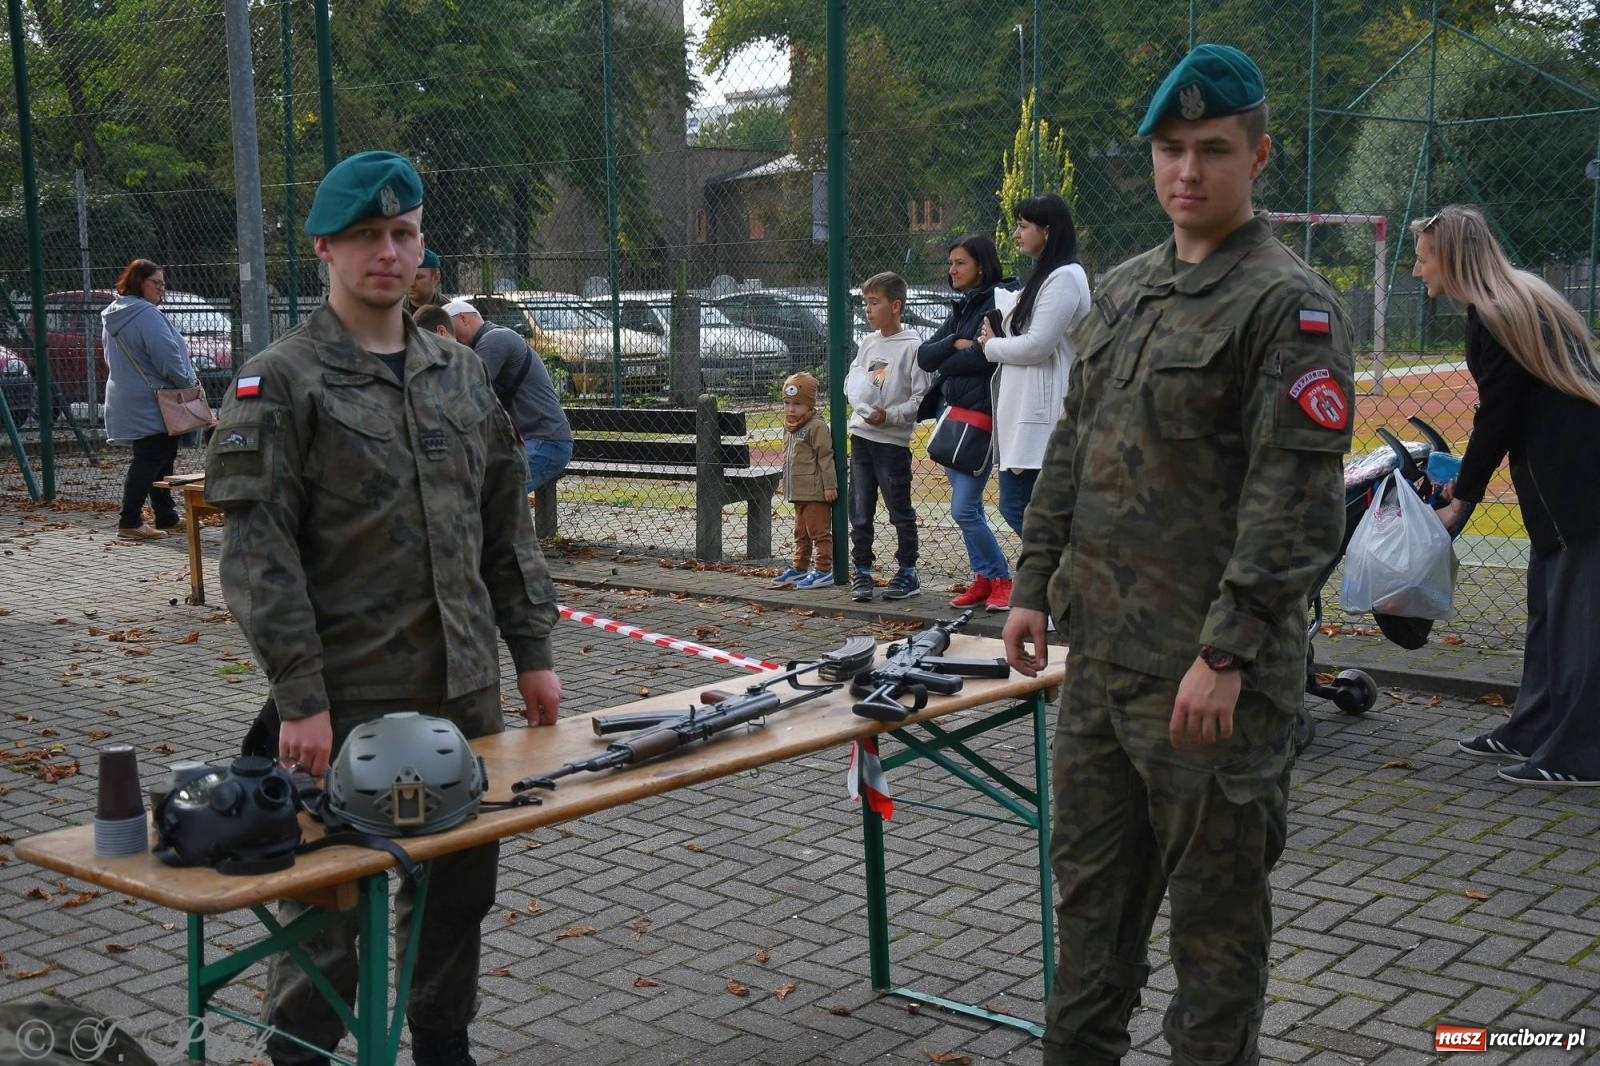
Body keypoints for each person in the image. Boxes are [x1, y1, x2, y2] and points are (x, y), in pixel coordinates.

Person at [1001, 45, 1354, 1065]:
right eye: (1169, 149)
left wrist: (1227, 651)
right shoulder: (1120, 292)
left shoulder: (1287, 305)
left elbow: (1295, 503)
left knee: (1214, 938)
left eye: (1212, 149)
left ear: (1258, 157)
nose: (1187, 171)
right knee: (1089, 920)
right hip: (1103, 669)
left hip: (1209, 687)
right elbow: (1071, 449)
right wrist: (1031, 585)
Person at [204, 150, 562, 1066]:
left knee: (458, 893)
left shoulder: (460, 372)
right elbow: (258, 555)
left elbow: (505, 526)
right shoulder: (280, 382)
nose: (388, 252)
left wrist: (532, 651)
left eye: (402, 234)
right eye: (366, 235)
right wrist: (299, 696)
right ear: (325, 249)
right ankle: (300, 1053)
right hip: (346, 699)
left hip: (464, 690)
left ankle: (442, 1043)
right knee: (327, 908)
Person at [1414, 205, 1600, 788]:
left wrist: (1462, 498)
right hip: (1563, 477)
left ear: (1451, 258)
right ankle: (1535, 725)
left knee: (1576, 619)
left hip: (1575, 481)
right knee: (1548, 605)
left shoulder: (1494, 315)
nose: (1418, 271)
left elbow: (1498, 415)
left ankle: (1582, 753)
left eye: (1423, 259)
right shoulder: (1520, 297)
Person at [977, 194, 1091, 538]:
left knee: (1020, 507)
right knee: (1022, 507)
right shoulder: (1047, 275)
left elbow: (1038, 345)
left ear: (1048, 231)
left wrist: (991, 346)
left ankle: (1065, 566)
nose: (1016, 234)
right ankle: (1061, 567)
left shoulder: (1065, 277)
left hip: (1045, 417)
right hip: (1027, 413)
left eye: (1023, 226)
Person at [917, 235, 1017, 611]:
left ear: (982, 265)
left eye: (960, 263)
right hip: (953, 417)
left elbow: (985, 357)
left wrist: (954, 353)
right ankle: (984, 578)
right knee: (969, 509)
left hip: (981, 418)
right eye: (951, 263)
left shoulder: (999, 302)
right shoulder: (964, 306)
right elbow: (925, 355)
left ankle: (1002, 580)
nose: (952, 270)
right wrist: (956, 343)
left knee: (963, 508)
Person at [845, 271, 932, 602]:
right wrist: (861, 403)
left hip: (892, 444)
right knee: (860, 509)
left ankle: (908, 571)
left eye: (874, 302)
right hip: (862, 438)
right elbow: (861, 379)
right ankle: (862, 571)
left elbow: (920, 400)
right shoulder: (869, 343)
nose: (868, 310)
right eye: (865, 303)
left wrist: (890, 416)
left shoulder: (913, 347)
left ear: (895, 306)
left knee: (899, 509)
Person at [101, 258, 203, 540]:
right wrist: (188, 384)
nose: (162, 289)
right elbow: (167, 358)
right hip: (155, 398)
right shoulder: (146, 314)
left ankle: (166, 516)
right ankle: (130, 521)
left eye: (163, 284)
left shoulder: (115, 314)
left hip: (129, 394)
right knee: (150, 458)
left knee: (160, 456)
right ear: (139, 282)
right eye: (156, 283)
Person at [435, 298, 574, 493]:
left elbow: (464, 391)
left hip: (545, 443)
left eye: (447, 329)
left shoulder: (495, 339)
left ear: (464, 319)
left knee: (489, 495)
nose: (445, 337)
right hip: (526, 443)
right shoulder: (483, 345)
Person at [772, 371, 838, 589]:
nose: (791, 409)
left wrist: (829, 485)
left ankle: (823, 570)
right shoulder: (790, 425)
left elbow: (825, 457)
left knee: (819, 532)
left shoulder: (816, 426)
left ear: (810, 405)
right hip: (798, 490)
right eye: (787, 403)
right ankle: (799, 567)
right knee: (800, 533)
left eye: (797, 404)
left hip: (815, 491)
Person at [407, 247, 445, 311]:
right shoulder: (393, 308)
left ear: (436, 277)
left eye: (418, 277)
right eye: (408, 276)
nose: (411, 284)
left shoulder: (448, 311)